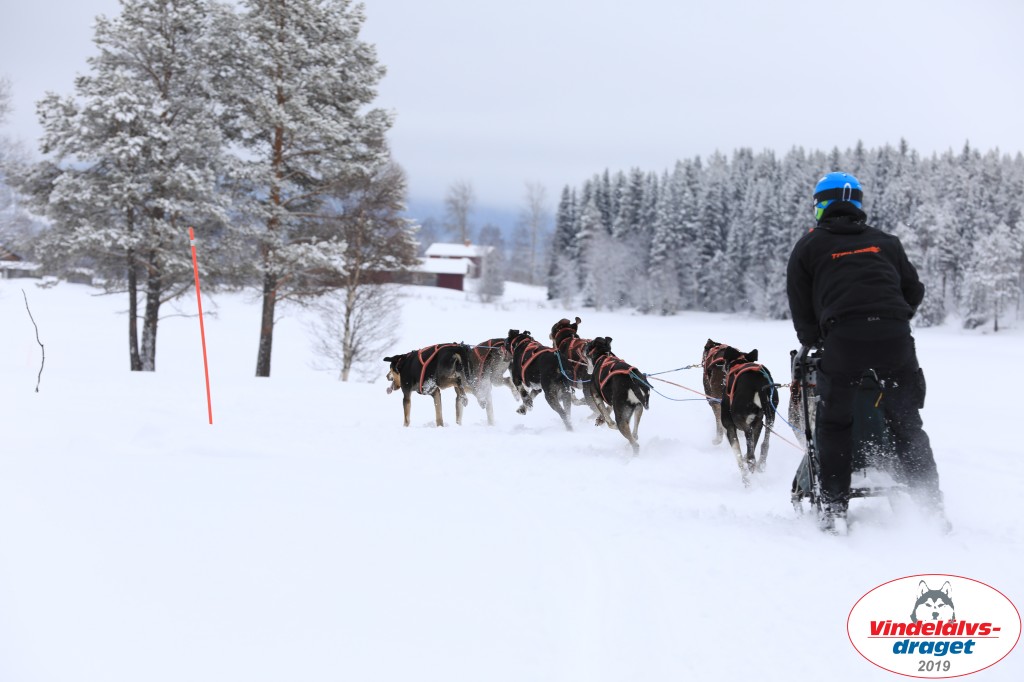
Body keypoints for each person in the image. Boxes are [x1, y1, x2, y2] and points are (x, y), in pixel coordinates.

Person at [786, 171, 946, 533]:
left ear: (820, 206)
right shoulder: (885, 242)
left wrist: (815, 339)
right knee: (907, 425)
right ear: (858, 205)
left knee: (835, 424)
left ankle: (834, 510)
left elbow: (801, 308)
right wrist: (889, 318)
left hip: (843, 339)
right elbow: (913, 290)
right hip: (895, 338)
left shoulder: (809, 246)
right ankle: (931, 509)